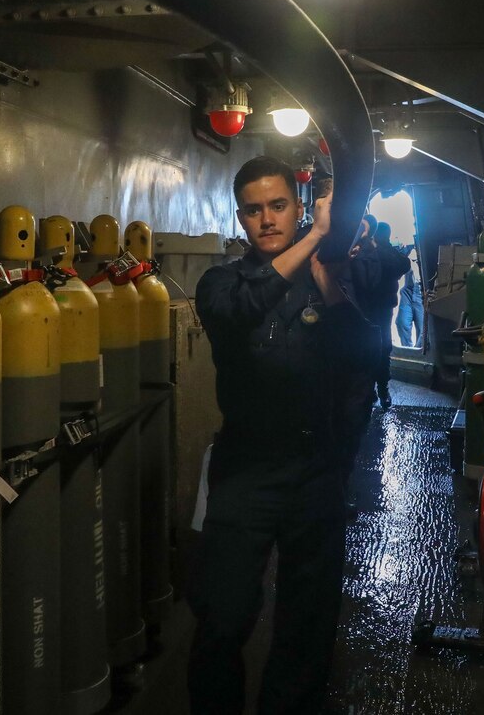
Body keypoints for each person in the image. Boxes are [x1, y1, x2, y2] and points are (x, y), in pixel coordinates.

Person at [189, 156, 376, 714]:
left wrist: (328, 280)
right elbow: (243, 311)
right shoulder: (222, 282)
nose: (267, 219)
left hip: (313, 470)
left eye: (278, 206)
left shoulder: (326, 277)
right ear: (241, 218)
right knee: (221, 616)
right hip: (245, 470)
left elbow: (362, 357)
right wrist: (317, 237)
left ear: (297, 206)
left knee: (308, 619)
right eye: (254, 210)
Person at [357, 222, 411, 408]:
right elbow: (404, 264)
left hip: (365, 309)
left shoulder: (365, 250)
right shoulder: (384, 253)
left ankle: (373, 390)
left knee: (368, 349)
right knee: (381, 349)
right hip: (379, 309)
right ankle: (381, 390)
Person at [395, 243, 423, 347]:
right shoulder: (408, 249)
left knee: (423, 329)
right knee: (402, 323)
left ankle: (419, 353)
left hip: (421, 290)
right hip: (408, 290)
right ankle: (408, 350)